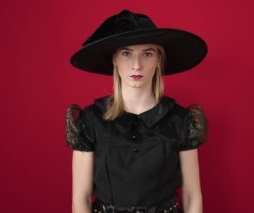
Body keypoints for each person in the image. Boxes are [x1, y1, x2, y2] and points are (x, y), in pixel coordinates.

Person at [65, 10, 208, 213]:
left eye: (147, 54)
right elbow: (81, 199)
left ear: (159, 59)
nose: (137, 65)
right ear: (114, 59)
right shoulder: (91, 119)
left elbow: (192, 195)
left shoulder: (180, 120)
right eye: (126, 53)